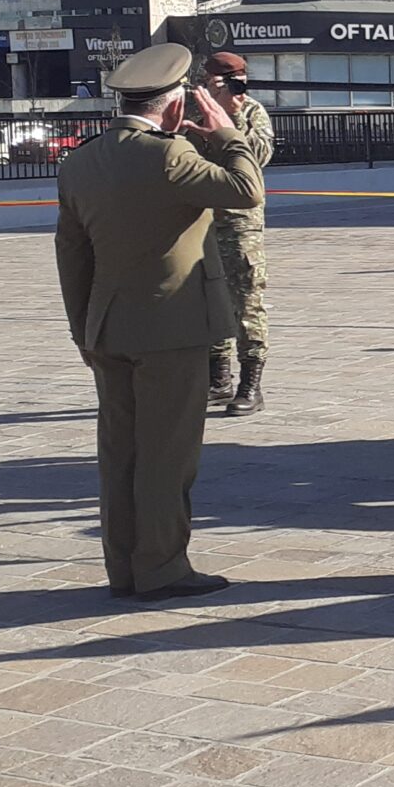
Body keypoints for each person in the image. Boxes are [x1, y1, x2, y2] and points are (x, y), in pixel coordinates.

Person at [54, 42, 264, 603]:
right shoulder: (170, 156)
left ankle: (123, 567)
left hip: (108, 327)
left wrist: (83, 330)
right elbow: (247, 191)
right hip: (172, 329)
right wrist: (226, 134)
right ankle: (162, 567)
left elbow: (71, 255)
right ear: (174, 108)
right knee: (166, 455)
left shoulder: (81, 160)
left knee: (119, 453)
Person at [197, 52, 275, 416]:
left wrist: (231, 116)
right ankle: (218, 378)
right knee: (207, 301)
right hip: (199, 218)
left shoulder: (253, 112)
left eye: (237, 81)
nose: (231, 88)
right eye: (222, 81)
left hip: (240, 222)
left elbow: (257, 155)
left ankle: (251, 383)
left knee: (246, 301)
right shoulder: (194, 111)